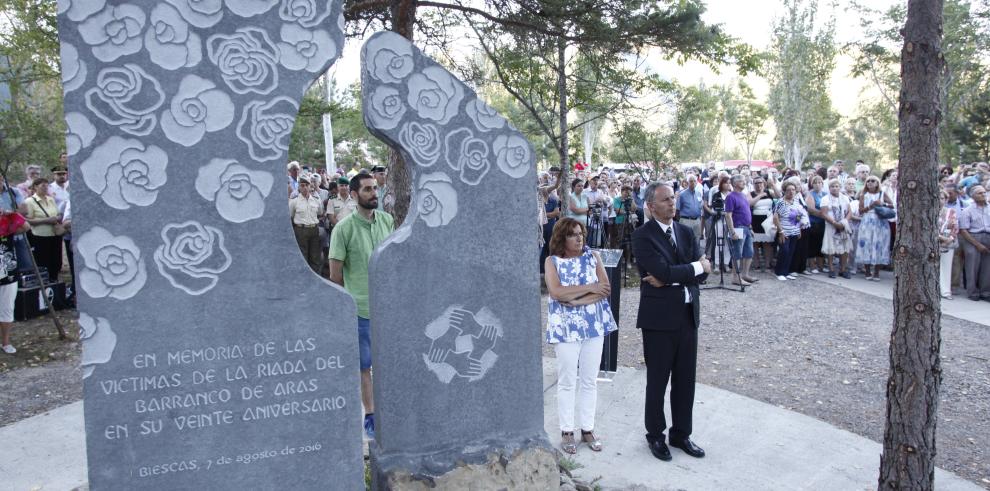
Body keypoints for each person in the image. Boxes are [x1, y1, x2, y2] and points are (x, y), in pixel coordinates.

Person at [631, 183, 711, 462]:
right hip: (659, 321)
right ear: (651, 206)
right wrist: (694, 268)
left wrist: (679, 275)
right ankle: (655, 435)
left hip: (688, 317)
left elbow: (702, 273)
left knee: (685, 380)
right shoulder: (642, 236)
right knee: (657, 381)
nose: (672, 204)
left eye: (673, 199)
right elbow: (661, 270)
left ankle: (681, 434)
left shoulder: (686, 232)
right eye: (665, 200)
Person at [328, 173, 394, 439]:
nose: (373, 193)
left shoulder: (387, 221)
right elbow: (335, 276)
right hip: (361, 310)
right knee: (364, 366)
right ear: (354, 195)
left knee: (389, 362)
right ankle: (371, 415)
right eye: (367, 189)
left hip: (388, 308)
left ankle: (391, 410)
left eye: (375, 188)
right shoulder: (343, 229)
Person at [544, 217, 618, 454]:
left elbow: (605, 289)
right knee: (566, 380)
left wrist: (573, 299)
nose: (579, 238)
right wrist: (589, 288)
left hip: (594, 324)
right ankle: (567, 430)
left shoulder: (593, 257)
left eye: (581, 233)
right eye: (573, 234)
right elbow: (556, 292)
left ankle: (588, 428)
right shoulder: (552, 261)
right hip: (565, 328)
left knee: (589, 380)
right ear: (561, 238)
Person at [23, 178, 63, 281]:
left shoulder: (50, 199)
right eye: (43, 186)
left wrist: (57, 218)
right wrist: (45, 220)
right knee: (43, 262)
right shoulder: (30, 201)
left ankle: (55, 281)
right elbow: (28, 220)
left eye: (47, 186)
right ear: (36, 187)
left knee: (56, 262)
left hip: (54, 235)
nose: (45, 188)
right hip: (40, 236)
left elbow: (58, 213)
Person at [856, 176, 894, 281]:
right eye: (868, 181)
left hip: (880, 222)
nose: (870, 183)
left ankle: (877, 272)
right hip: (867, 221)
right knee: (867, 244)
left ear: (877, 183)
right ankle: (867, 271)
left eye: (873, 181)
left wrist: (883, 204)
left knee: (879, 245)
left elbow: (892, 206)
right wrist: (871, 206)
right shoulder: (864, 195)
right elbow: (860, 211)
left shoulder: (882, 194)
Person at [723, 175, 757, 285]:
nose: (744, 182)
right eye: (741, 181)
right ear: (735, 183)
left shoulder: (743, 195)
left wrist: (750, 227)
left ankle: (745, 275)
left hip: (746, 227)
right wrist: (732, 231)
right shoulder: (730, 197)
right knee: (737, 253)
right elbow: (728, 215)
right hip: (737, 227)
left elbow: (747, 211)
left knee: (749, 252)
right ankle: (736, 277)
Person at [958, 185, 989, 301]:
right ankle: (972, 291)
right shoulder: (967, 211)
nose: (983, 195)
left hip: (988, 236)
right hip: (973, 237)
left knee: (987, 267)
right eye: (980, 193)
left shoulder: (989, 208)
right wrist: (978, 244)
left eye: (984, 192)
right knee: (972, 265)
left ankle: (985, 292)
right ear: (973, 196)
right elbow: (963, 230)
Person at [288, 180, 325, 274]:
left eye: (306, 185)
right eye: (302, 185)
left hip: (314, 229)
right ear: (299, 188)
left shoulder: (316, 200)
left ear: (310, 187)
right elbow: (290, 216)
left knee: (315, 256)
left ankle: (316, 277)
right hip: (301, 230)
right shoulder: (294, 201)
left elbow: (320, 212)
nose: (304, 187)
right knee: (302, 256)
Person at [820, 179, 853, 278]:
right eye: (832, 186)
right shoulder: (825, 198)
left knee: (845, 247)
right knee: (831, 247)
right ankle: (831, 269)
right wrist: (834, 223)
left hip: (843, 226)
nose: (834, 188)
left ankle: (843, 269)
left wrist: (844, 222)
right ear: (829, 188)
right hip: (831, 225)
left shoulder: (845, 198)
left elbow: (849, 212)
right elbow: (823, 213)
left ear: (840, 187)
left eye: (836, 186)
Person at [773, 181, 804, 281]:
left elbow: (798, 215)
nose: (791, 192)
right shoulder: (781, 202)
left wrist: (798, 228)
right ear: (784, 191)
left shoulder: (796, 201)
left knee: (791, 252)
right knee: (784, 251)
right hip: (784, 231)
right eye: (789, 190)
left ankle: (786, 272)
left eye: (793, 190)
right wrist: (780, 232)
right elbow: (775, 217)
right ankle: (779, 272)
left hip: (794, 231)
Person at [749, 175, 776, 274]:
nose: (758, 185)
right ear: (753, 184)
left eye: (760, 183)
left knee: (767, 243)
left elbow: (779, 196)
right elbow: (750, 203)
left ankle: (768, 264)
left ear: (764, 183)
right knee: (755, 243)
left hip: (768, 219)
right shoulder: (751, 193)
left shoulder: (769, 192)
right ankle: (756, 263)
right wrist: (760, 195)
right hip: (756, 219)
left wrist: (773, 185)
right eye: (756, 183)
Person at [937, 190, 959, 299]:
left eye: (941, 198)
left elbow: (955, 227)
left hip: (947, 243)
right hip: (934, 241)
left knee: (946, 267)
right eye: (937, 198)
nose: (939, 200)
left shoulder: (951, 211)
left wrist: (949, 239)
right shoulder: (929, 211)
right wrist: (939, 237)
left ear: (946, 200)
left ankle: (945, 291)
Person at [676, 174, 704, 239]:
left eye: (695, 181)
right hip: (686, 221)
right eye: (691, 181)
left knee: (697, 241)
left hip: (697, 221)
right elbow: (677, 209)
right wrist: (680, 221)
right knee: (685, 241)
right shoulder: (682, 194)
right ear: (687, 183)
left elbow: (700, 206)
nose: (693, 183)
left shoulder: (698, 193)